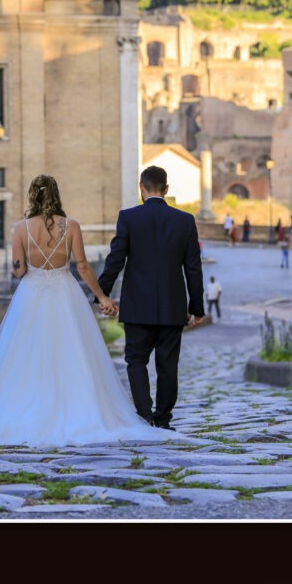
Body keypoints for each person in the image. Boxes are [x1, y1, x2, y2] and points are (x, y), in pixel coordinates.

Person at [0, 174, 184, 447]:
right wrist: (102, 297)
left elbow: (19, 270)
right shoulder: (70, 226)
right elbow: (83, 266)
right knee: (72, 351)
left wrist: (25, 260)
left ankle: (29, 409)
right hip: (65, 293)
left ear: (31, 196)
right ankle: (80, 409)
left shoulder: (20, 228)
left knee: (26, 354)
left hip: (32, 295)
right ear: (57, 195)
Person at [99, 165, 210, 431]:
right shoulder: (185, 221)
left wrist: (101, 293)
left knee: (136, 360)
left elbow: (116, 259)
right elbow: (193, 268)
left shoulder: (128, 217)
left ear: (141, 188)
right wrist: (197, 307)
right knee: (167, 365)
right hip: (172, 307)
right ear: (167, 190)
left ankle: (144, 415)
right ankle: (163, 419)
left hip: (137, 306)